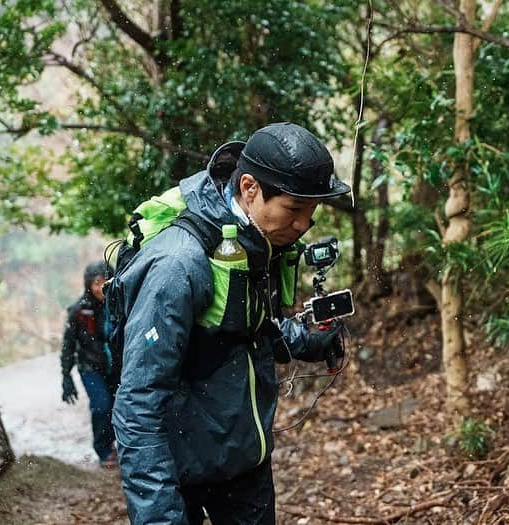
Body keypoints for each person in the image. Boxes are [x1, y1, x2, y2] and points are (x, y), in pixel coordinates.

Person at [112, 122, 351, 524]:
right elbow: (137, 402)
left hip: (243, 460)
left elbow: (246, 330)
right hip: (179, 469)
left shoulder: (256, 239)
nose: (304, 226)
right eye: (294, 210)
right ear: (249, 187)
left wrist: (312, 342)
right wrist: (158, 517)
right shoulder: (178, 263)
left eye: (312, 212)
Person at [61, 261, 118, 468]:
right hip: (90, 368)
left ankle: (114, 444)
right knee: (102, 406)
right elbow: (68, 344)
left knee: (117, 407)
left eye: (105, 281)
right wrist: (66, 376)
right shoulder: (79, 310)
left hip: (116, 367)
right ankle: (103, 450)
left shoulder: (119, 304)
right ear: (88, 284)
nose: (100, 287)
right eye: (96, 282)